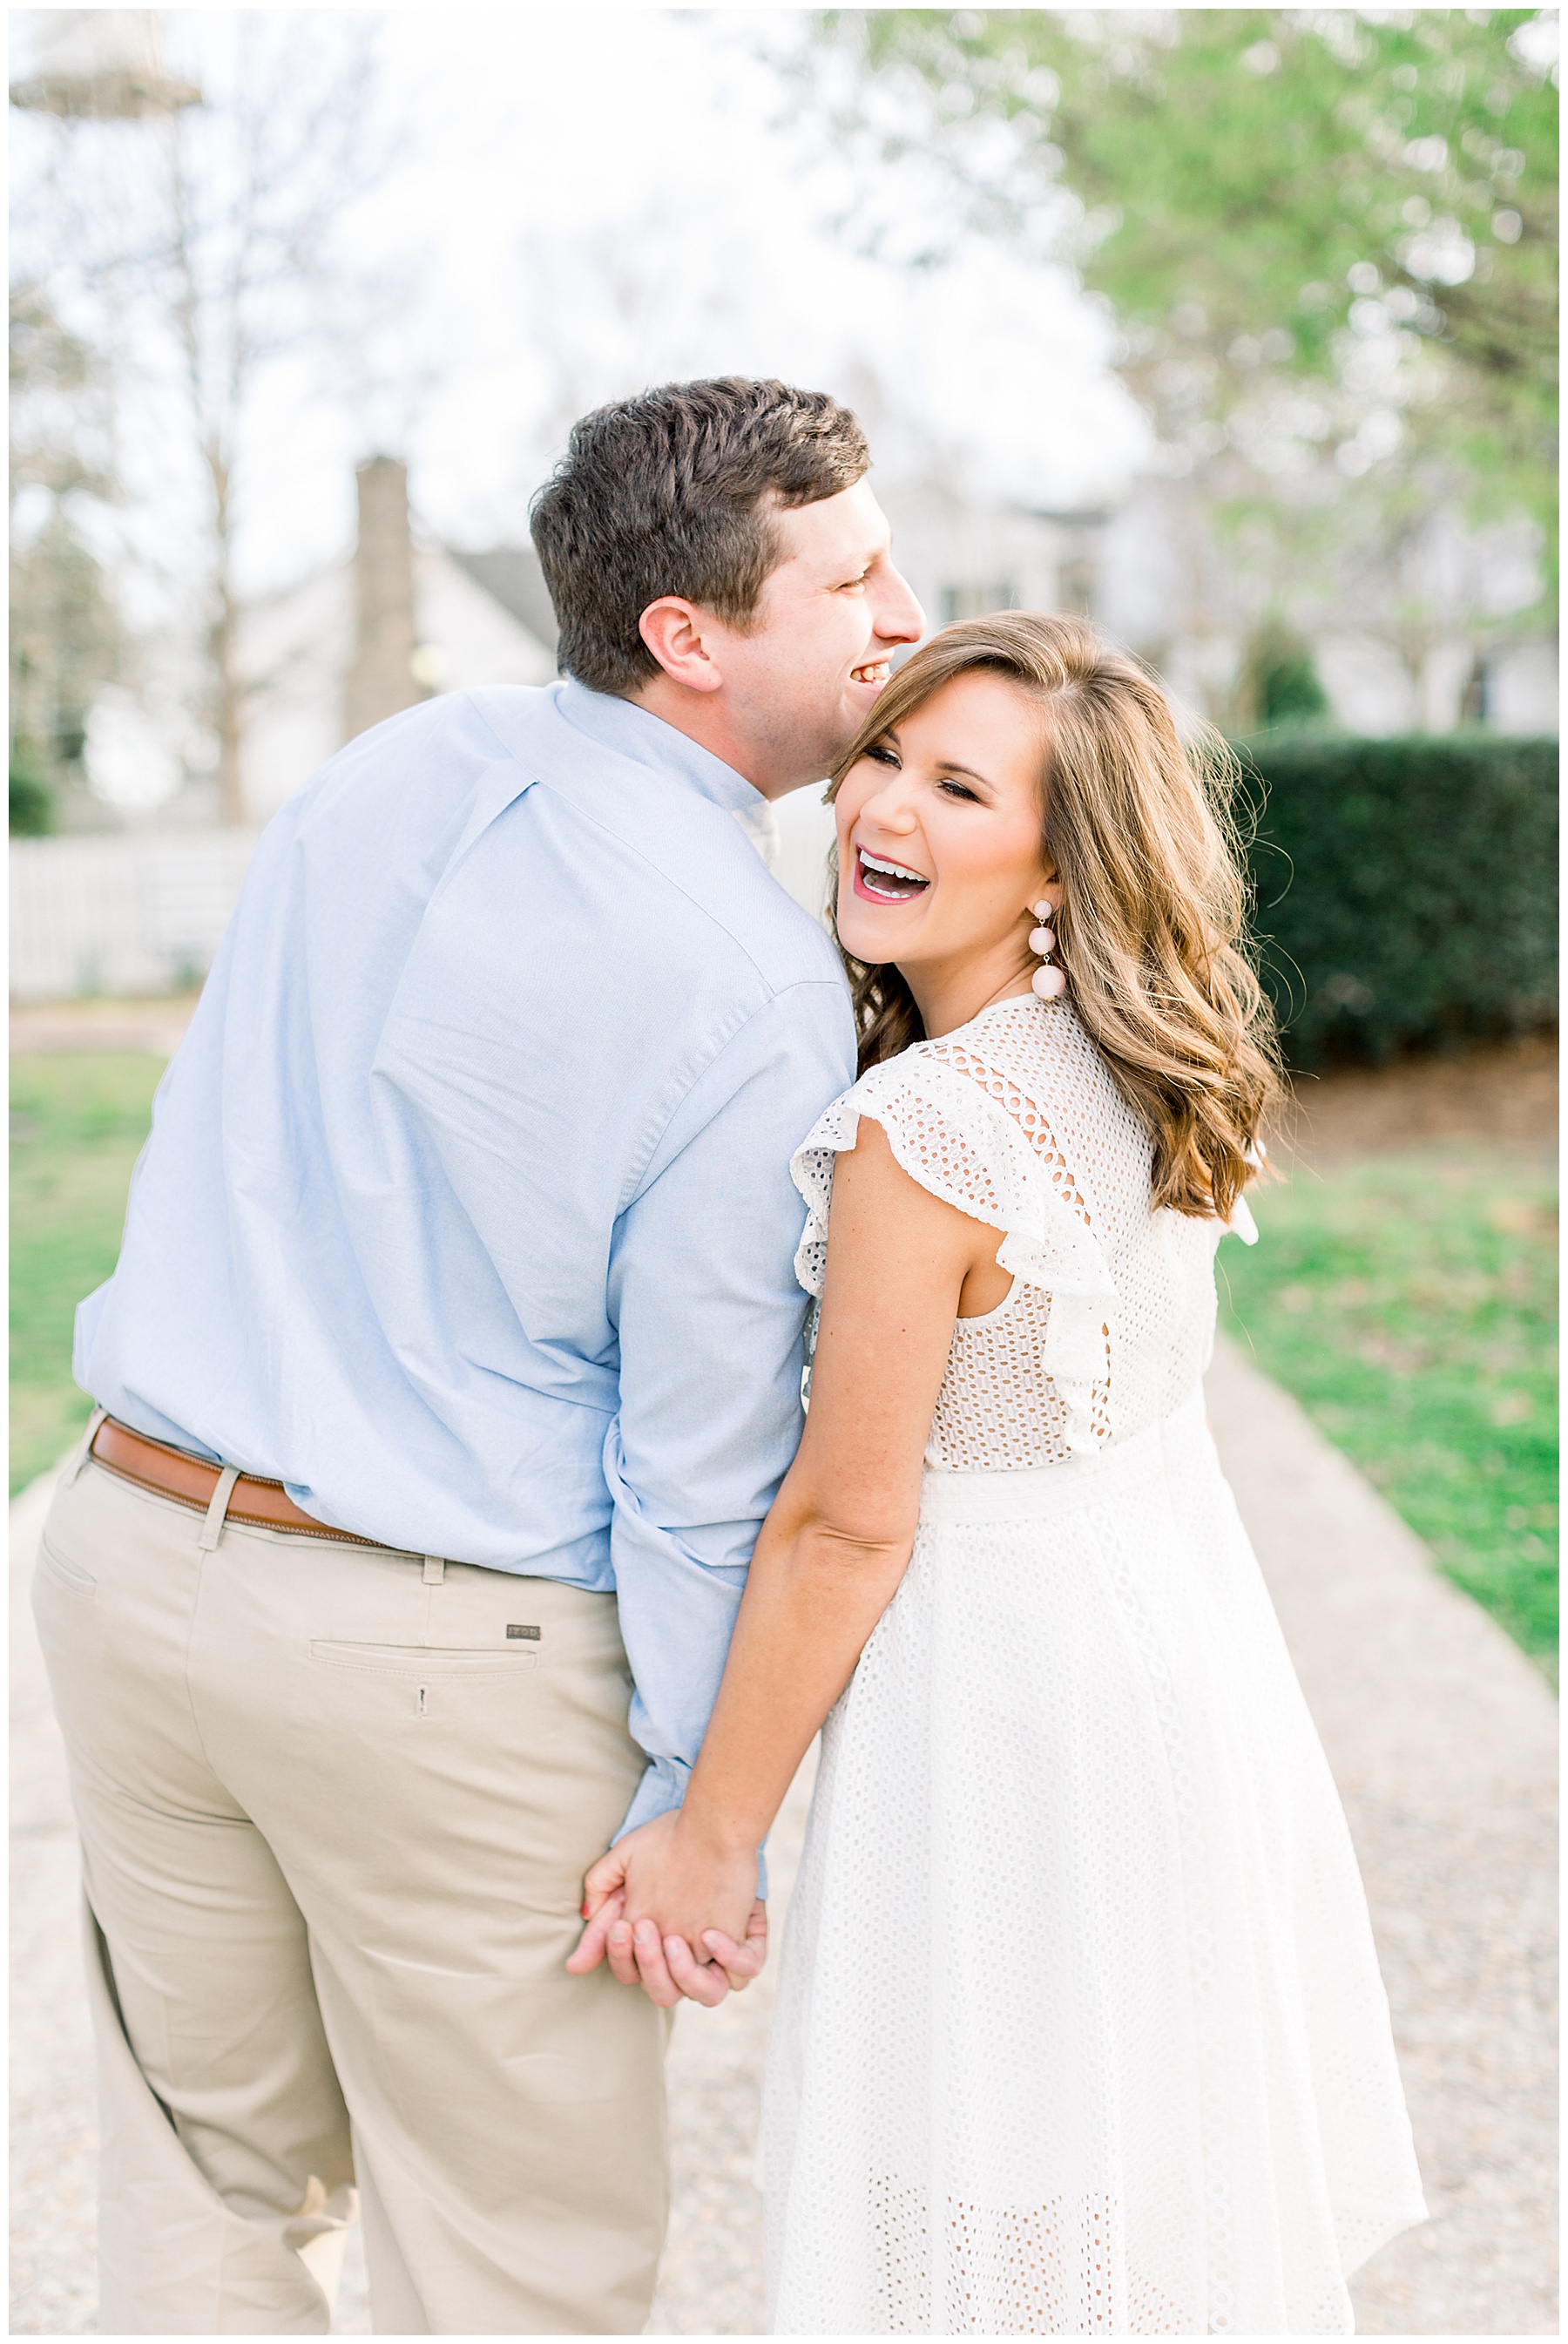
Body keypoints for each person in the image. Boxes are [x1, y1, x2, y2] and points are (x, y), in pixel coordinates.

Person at [34, 376, 923, 2335]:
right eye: (854, 576)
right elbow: (700, 1459)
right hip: (431, 1657)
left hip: (128, 1556)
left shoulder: (387, 768)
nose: (900, 614)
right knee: (518, 2268)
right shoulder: (748, 971)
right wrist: (706, 1806)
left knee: (204, 2196)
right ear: (689, 638)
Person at [576, 613, 1428, 2334]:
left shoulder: (933, 1128)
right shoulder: (1135, 1064)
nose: (882, 804)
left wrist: (711, 1834)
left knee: (980, 2201)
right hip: (1170, 1684)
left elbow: (844, 1521)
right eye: (884, 753)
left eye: (962, 786)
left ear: (1060, 862)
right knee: (1113, 2197)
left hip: (1005, 1731)